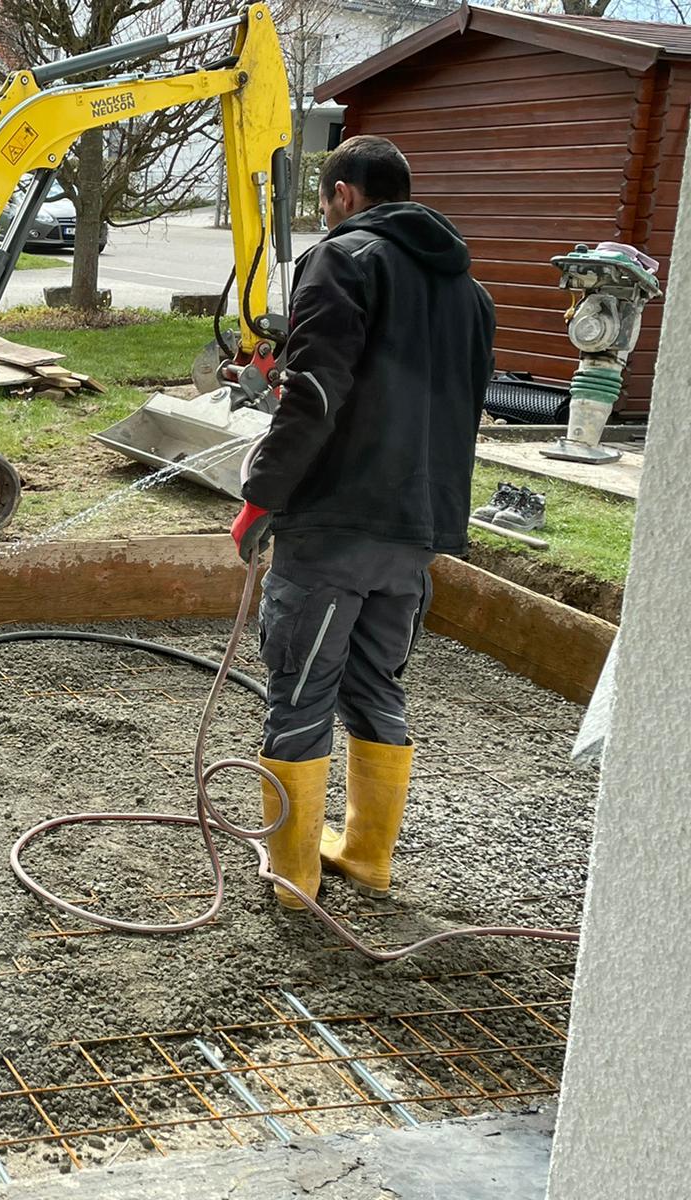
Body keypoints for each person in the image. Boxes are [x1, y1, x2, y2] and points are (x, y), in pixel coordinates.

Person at [230, 135, 496, 909]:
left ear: (343, 194)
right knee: (377, 684)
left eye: (323, 203)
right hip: (418, 531)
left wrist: (261, 497)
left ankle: (294, 876)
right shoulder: (470, 293)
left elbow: (314, 392)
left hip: (336, 524)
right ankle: (369, 858)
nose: (324, 216)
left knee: (300, 693)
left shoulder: (343, 260)